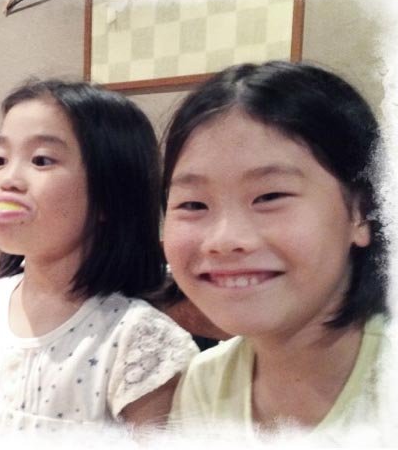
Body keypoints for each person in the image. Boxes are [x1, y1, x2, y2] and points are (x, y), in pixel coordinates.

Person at [0, 79, 199, 434]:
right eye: (0, 160)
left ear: (109, 194)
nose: (7, 179)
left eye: (41, 160)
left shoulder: (136, 342)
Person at [163, 61, 390, 441]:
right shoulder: (206, 381)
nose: (224, 240)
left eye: (270, 196)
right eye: (193, 204)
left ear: (362, 213)